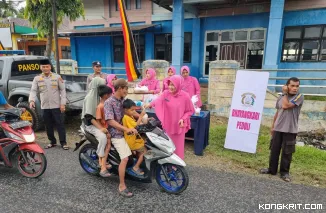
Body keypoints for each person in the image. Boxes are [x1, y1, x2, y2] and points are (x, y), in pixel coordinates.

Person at [260, 77, 304, 182]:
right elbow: (278, 112)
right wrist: (272, 126)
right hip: (278, 128)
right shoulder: (281, 97)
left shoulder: (299, 97)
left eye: (297, 86)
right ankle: (272, 170)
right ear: (287, 86)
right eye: (292, 86)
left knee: (287, 152)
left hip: (290, 129)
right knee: (274, 150)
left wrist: (284, 94)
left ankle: (284, 173)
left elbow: (286, 105)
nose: (295, 88)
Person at [145, 75, 194, 159]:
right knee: (168, 147)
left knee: (178, 148)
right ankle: (168, 165)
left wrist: (183, 119)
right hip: (168, 125)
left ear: (178, 85)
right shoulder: (166, 93)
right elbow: (158, 100)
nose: (170, 87)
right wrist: (149, 104)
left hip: (179, 126)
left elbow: (190, 111)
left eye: (173, 85)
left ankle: (177, 166)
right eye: (169, 84)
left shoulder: (185, 96)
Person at [104, 78, 137, 197]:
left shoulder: (123, 100)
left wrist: (143, 118)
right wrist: (126, 129)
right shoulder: (109, 102)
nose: (127, 91)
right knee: (125, 158)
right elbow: (110, 121)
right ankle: (122, 185)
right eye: (126, 88)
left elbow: (131, 111)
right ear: (119, 88)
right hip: (116, 134)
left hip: (127, 131)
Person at [29, 60, 68, 150]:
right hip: (45, 106)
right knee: (48, 125)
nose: (45, 69)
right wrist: (31, 100)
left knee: (60, 124)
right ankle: (52, 141)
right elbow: (33, 90)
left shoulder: (57, 77)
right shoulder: (37, 78)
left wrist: (63, 104)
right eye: (43, 67)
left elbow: (63, 90)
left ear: (50, 67)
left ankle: (63, 142)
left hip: (57, 106)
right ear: (41, 68)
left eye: (47, 67)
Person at [81, 78, 112, 177]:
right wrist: (101, 128)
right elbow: (89, 117)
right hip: (91, 125)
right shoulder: (90, 98)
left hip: (100, 122)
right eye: (102, 85)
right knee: (103, 137)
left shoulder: (100, 97)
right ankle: (101, 162)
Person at [122, 99, 147, 176]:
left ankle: (137, 163)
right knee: (144, 151)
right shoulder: (126, 117)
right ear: (126, 110)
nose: (133, 111)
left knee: (141, 150)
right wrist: (141, 116)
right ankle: (135, 167)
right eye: (132, 110)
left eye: (134, 110)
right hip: (131, 140)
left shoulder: (130, 115)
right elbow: (136, 126)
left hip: (134, 138)